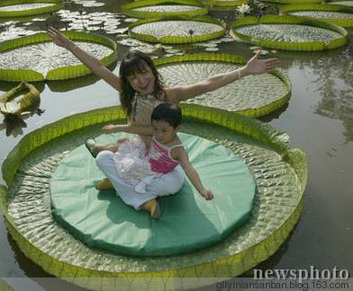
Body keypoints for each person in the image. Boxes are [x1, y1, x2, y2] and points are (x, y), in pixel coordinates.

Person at [47, 27, 279, 215]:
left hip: (162, 160)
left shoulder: (169, 96)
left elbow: (208, 83)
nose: (141, 80)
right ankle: (137, 196)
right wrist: (69, 45)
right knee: (102, 159)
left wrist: (244, 71)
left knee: (172, 186)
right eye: (133, 77)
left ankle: (120, 184)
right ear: (127, 81)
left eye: (144, 72)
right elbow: (98, 67)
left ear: (153, 70)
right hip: (140, 153)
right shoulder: (128, 93)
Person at [98, 103, 213, 218]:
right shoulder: (155, 131)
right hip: (143, 163)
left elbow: (188, 168)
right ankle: (143, 200)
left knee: (171, 186)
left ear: (177, 129)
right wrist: (115, 127)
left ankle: (117, 184)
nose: (158, 134)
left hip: (158, 175)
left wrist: (202, 190)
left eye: (164, 131)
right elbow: (134, 129)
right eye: (155, 129)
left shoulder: (178, 150)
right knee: (102, 158)